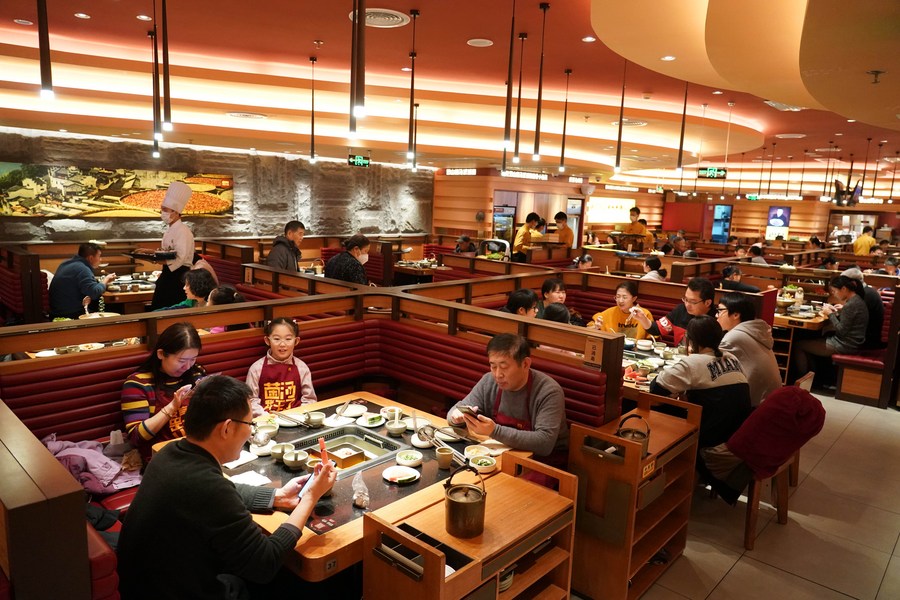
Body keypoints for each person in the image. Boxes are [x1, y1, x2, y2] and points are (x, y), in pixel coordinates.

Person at [117, 375, 337, 600]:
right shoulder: (207, 487)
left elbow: (223, 489)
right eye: (250, 424)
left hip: (145, 585)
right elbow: (264, 563)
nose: (251, 432)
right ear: (227, 428)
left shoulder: (170, 454)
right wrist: (310, 497)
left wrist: (277, 496)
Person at [447, 333, 568, 460]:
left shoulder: (548, 391)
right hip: (501, 454)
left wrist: (494, 431)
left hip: (541, 463)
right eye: (493, 366)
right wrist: (457, 418)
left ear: (525, 364)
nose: (497, 374)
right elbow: (455, 411)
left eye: (504, 367)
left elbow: (544, 443)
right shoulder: (489, 381)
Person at [650, 316, 751, 449]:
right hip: (738, 439)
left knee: (657, 406)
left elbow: (655, 388)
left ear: (691, 340)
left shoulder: (693, 362)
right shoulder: (732, 358)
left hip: (710, 445)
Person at [121, 322, 206, 463]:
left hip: (199, 449)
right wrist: (172, 407)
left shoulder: (196, 374)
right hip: (162, 458)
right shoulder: (138, 383)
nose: (187, 366)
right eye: (181, 360)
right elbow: (136, 437)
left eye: (193, 359)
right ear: (161, 354)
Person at [792, 275, 868, 379]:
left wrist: (830, 314)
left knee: (799, 345)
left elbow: (841, 330)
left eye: (835, 291)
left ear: (844, 289)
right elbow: (848, 323)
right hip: (853, 343)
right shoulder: (857, 300)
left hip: (844, 345)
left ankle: (802, 382)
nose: (834, 294)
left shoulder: (851, 305)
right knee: (811, 341)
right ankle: (812, 380)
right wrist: (837, 313)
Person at [715, 293, 782, 406]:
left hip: (757, 407)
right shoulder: (756, 330)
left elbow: (711, 367)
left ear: (736, 314)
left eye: (720, 310)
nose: (716, 315)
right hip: (772, 400)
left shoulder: (734, 337)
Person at [246, 318, 317, 417]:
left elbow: (310, 399)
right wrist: (266, 417)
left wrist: (298, 415)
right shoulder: (256, 369)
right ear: (267, 340)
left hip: (296, 418)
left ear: (296, 341)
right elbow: (251, 400)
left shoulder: (302, 367)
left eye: (288, 339)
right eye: (276, 339)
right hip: (266, 420)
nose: (282, 344)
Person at [632, 276, 716, 345]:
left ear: (707, 303)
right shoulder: (680, 310)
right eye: (686, 299)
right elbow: (656, 329)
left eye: (692, 302)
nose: (687, 305)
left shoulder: (717, 320)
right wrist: (642, 318)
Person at [150, 181, 195, 310]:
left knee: (171, 311)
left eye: (165, 210)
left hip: (178, 278)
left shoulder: (183, 231)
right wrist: (150, 254)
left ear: (175, 212)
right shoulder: (169, 230)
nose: (162, 212)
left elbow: (180, 258)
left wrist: (159, 260)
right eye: (162, 209)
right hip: (167, 275)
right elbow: (165, 252)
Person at [49, 242, 116, 319]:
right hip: (69, 315)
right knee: (113, 311)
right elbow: (94, 293)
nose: (100, 259)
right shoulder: (83, 269)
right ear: (91, 258)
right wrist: (105, 280)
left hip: (57, 311)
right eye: (99, 256)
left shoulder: (66, 264)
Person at [587, 280, 653, 339]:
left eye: (624, 297)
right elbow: (587, 329)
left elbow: (653, 338)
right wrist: (596, 327)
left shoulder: (644, 314)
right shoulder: (609, 313)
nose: (620, 301)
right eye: (618, 297)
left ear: (634, 298)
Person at [841, 267, 885, 349]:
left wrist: (830, 314)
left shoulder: (863, 296)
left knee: (818, 342)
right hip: (868, 338)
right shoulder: (869, 291)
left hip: (866, 342)